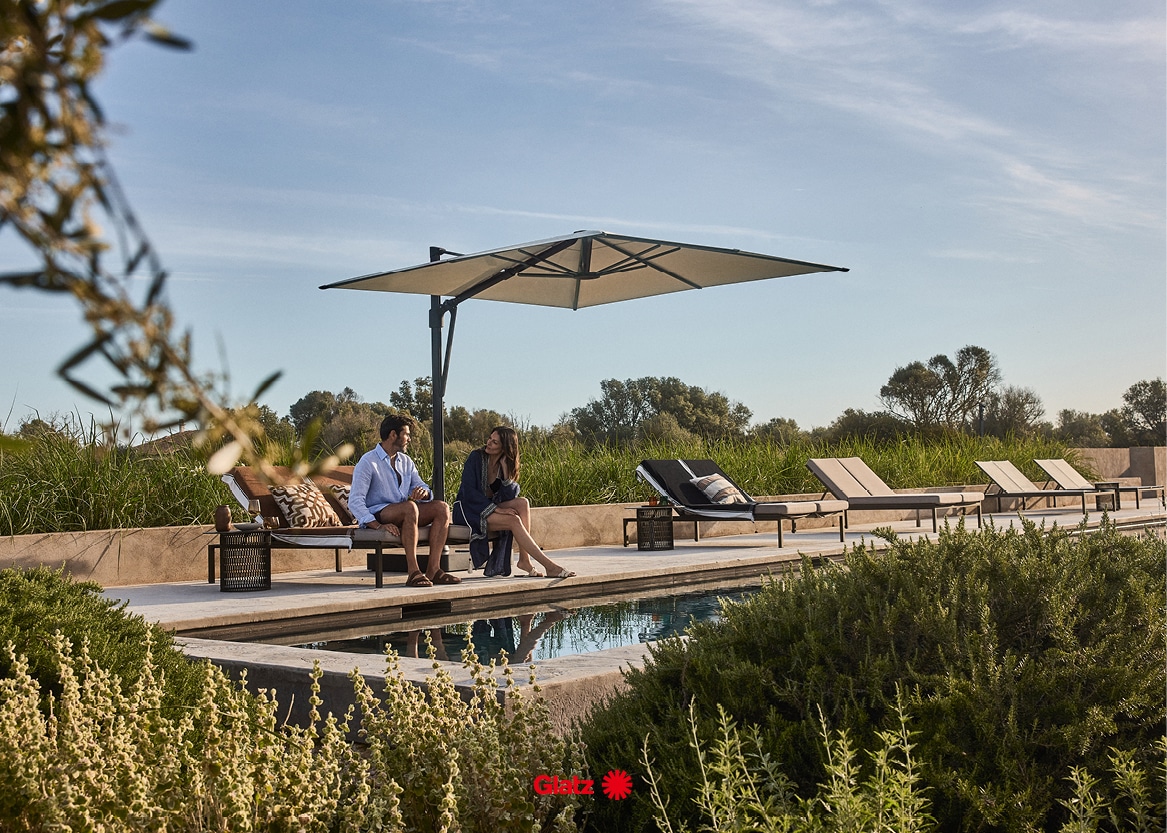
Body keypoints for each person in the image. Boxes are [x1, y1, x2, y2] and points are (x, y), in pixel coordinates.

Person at [349, 414, 459, 587]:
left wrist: (424, 493)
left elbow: (421, 485)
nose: (409, 439)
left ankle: (433, 569)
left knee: (442, 508)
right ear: (393, 435)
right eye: (406, 434)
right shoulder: (368, 462)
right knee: (410, 507)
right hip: (380, 513)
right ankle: (413, 572)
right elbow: (355, 501)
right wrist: (377, 526)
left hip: (405, 511)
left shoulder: (406, 461)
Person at [452, 426, 575, 578]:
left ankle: (524, 560)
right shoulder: (476, 457)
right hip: (468, 510)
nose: (489, 443)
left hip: (490, 509)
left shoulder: (503, 464)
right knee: (513, 520)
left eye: (495, 442)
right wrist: (497, 509)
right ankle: (550, 566)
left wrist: (505, 471)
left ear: (505, 447)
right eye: (490, 438)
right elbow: (468, 491)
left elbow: (509, 495)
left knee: (522, 503)